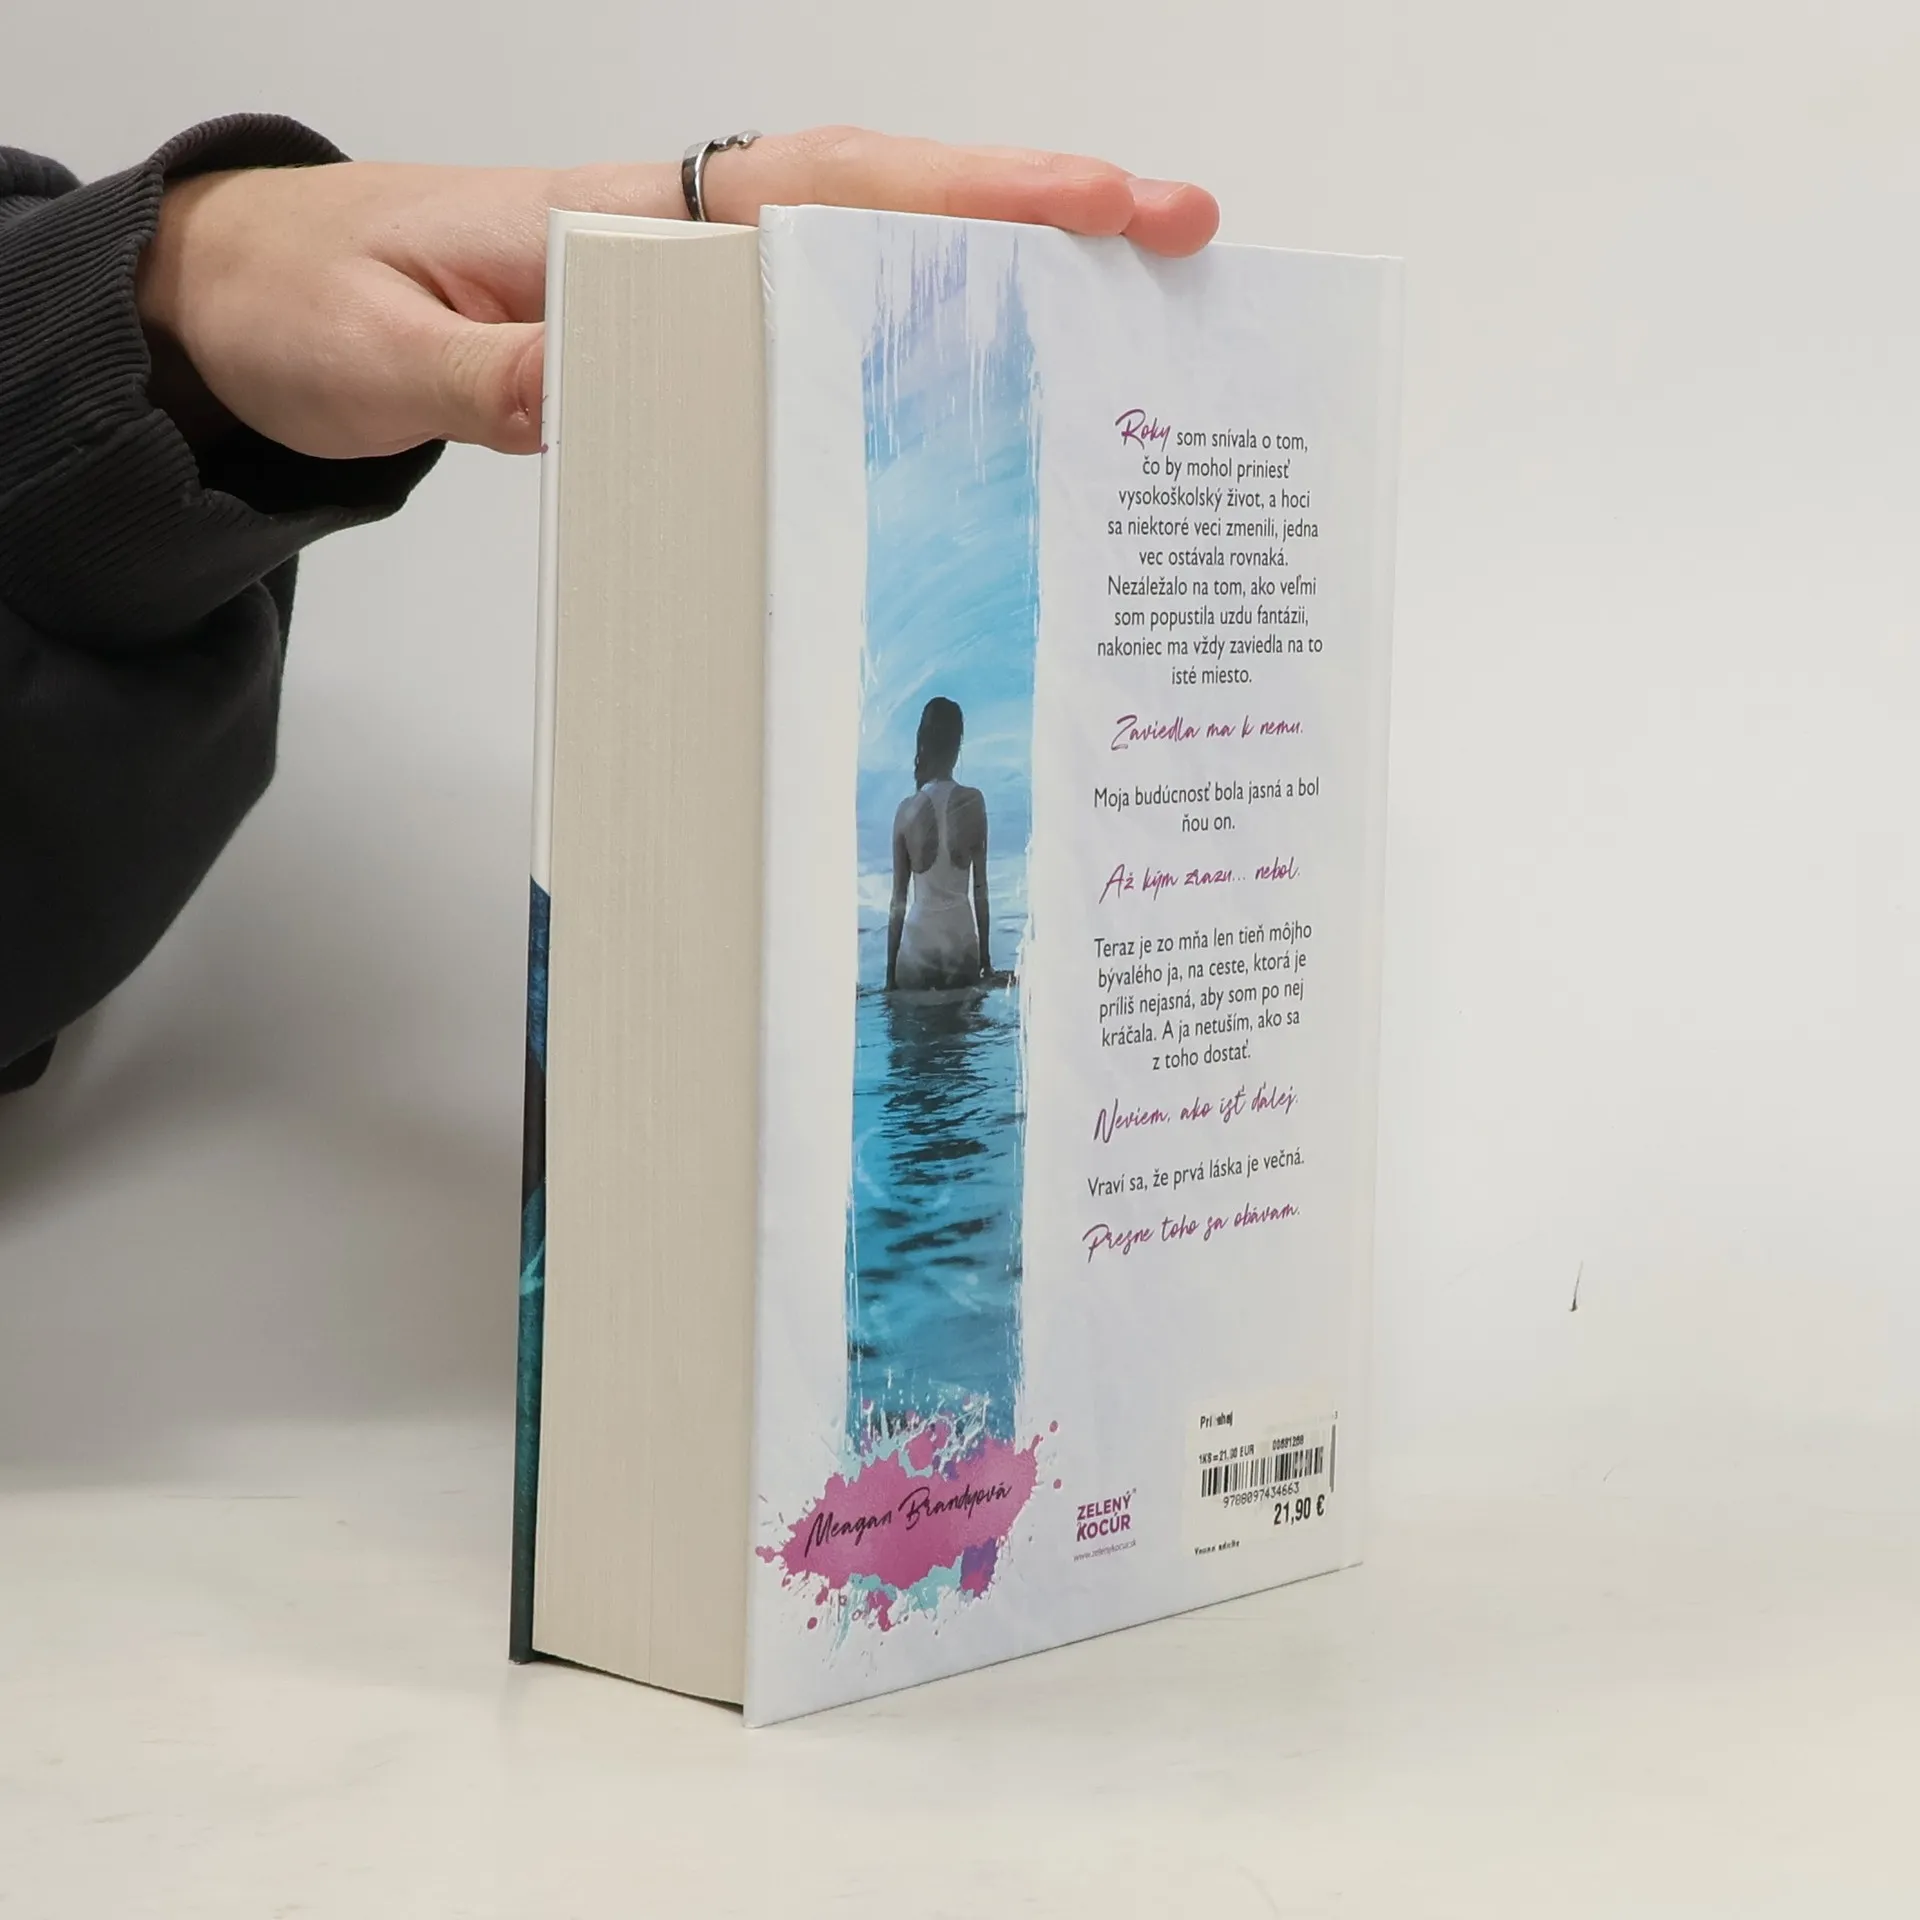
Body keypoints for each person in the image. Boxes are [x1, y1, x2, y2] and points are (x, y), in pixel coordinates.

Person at [0, 118, 1215, 1092]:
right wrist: (129, 304)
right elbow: (967, 899)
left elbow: (911, 907)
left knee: (917, 1073)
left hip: (920, 961)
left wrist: (130, 303)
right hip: (950, 958)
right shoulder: (960, 810)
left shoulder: (915, 806)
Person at [887, 697, 995, 992]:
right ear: (957, 745)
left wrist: (889, 978)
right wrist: (985, 961)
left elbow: (898, 901)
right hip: (962, 950)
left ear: (922, 743)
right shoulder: (974, 802)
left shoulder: (906, 812)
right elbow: (981, 890)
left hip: (917, 953)